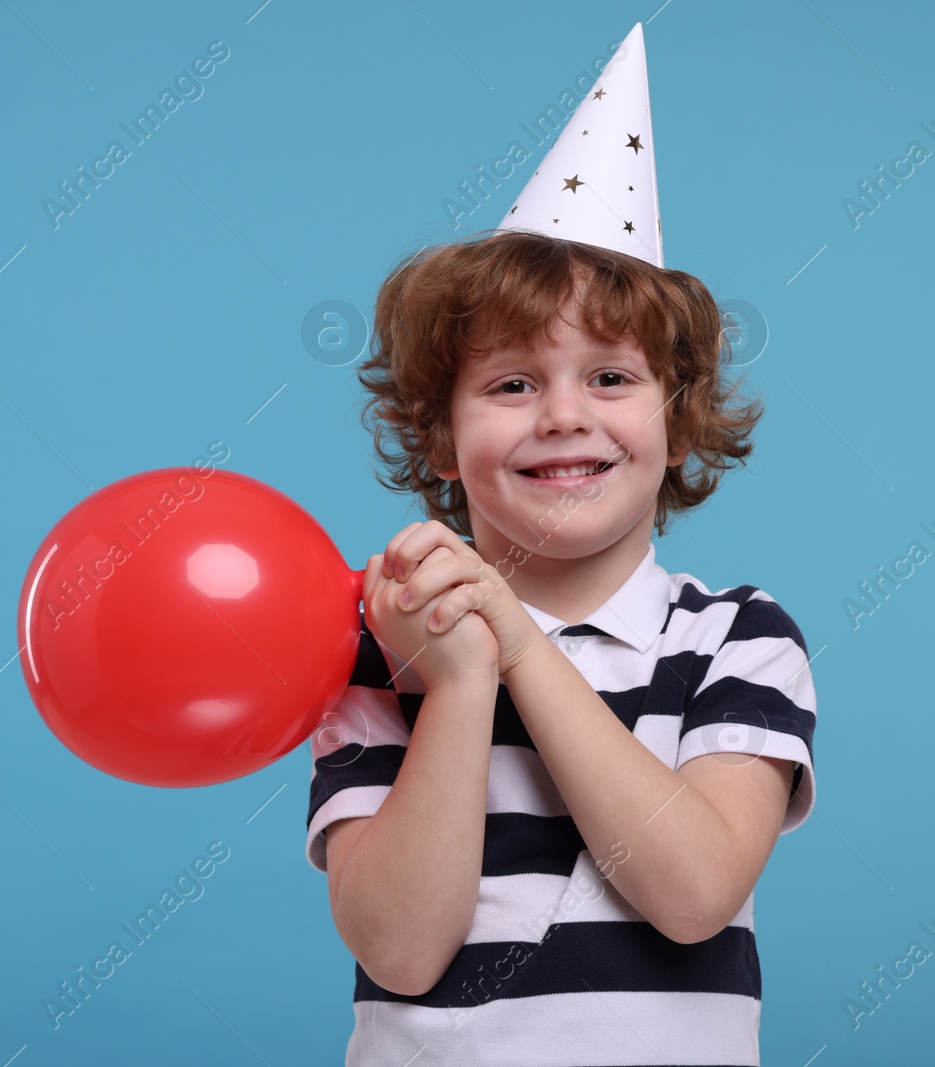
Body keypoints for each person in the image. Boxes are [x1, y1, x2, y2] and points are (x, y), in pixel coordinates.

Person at [305, 227, 818, 1065]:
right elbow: (398, 949)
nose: (566, 415)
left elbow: (694, 896)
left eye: (612, 377)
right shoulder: (380, 655)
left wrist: (517, 644)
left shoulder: (738, 637)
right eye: (512, 383)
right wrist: (463, 681)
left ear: (678, 420)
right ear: (440, 439)